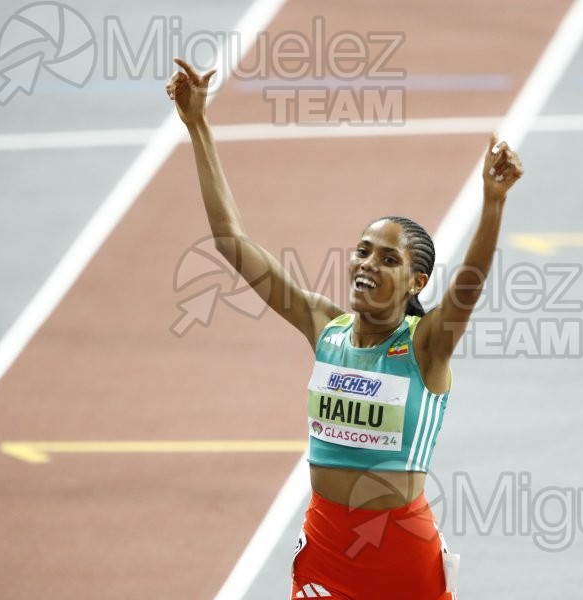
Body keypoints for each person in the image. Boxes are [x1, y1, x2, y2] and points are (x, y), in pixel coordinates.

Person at [166, 57, 523, 598]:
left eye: (387, 259)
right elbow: (231, 242)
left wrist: (492, 205)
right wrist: (198, 126)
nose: (366, 265)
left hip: (401, 552)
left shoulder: (426, 348)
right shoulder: (322, 325)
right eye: (362, 252)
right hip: (327, 545)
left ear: (415, 283)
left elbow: (467, 293)